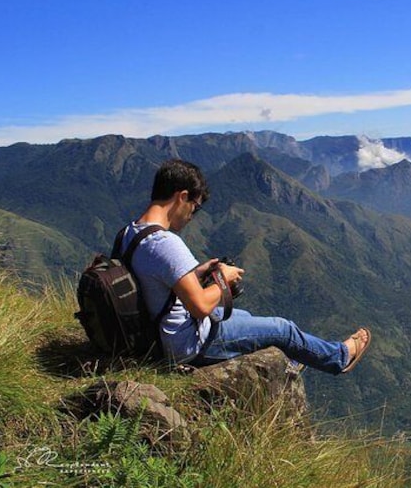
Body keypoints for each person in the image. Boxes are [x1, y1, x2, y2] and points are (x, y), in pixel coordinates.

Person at [120, 158, 371, 373]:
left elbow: (154, 278)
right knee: (283, 328)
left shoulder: (132, 232)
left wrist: (196, 272)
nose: (191, 216)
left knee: (246, 317)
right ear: (182, 197)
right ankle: (339, 357)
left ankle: (292, 359)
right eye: (194, 207)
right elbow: (199, 307)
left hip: (160, 332)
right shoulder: (166, 243)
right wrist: (223, 279)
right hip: (185, 345)